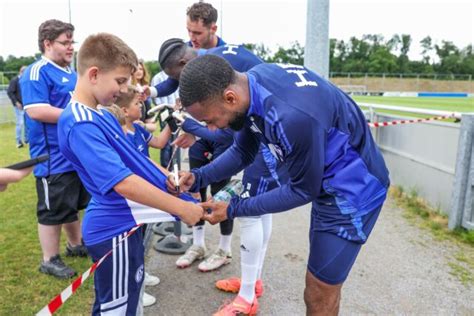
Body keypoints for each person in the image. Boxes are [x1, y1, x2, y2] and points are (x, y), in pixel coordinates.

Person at [169, 55, 390, 315]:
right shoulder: (249, 86)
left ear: (230, 98)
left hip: (352, 190)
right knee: (318, 289)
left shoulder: (291, 116)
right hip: (327, 179)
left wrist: (231, 209)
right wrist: (199, 176)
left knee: (319, 291)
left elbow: (302, 189)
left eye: (210, 120)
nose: (211, 128)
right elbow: (242, 152)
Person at [57, 32, 203, 315]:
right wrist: (180, 208)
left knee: (131, 299)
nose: (125, 89)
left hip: (125, 224)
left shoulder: (98, 114)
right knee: (117, 307)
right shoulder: (81, 123)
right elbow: (123, 182)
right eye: (121, 81)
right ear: (95, 74)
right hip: (114, 228)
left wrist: (171, 181)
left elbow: (137, 161)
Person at [159, 38, 289, 315]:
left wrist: (193, 126)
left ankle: (246, 297)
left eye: (180, 78)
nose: (184, 86)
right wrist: (199, 175)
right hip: (264, 137)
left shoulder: (218, 81)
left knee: (251, 212)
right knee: (260, 210)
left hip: (270, 141)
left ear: (186, 64)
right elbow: (232, 140)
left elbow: (225, 134)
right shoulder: (218, 65)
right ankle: (252, 284)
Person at [19, 19, 90, 279]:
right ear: (48, 43)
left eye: (73, 41)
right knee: (52, 210)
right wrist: (77, 115)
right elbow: (36, 110)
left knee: (73, 204)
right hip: (51, 158)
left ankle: (75, 245)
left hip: (73, 155)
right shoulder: (37, 72)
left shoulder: (71, 73)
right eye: (66, 42)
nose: (71, 47)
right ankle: (49, 259)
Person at [7, 65, 28, 148]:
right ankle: (18, 141)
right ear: (21, 72)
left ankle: (26, 139)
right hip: (19, 106)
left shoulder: (25, 81)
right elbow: (10, 92)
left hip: (26, 105)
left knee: (27, 123)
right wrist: (16, 102)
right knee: (20, 123)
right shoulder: (15, 80)